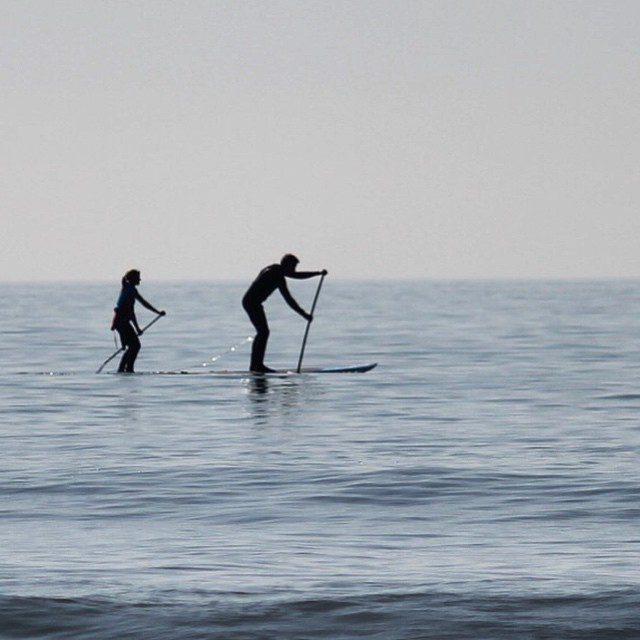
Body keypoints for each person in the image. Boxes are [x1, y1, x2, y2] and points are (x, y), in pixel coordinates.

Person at [242, 254, 327, 372]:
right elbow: (290, 295)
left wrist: (317, 274)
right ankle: (257, 366)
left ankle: (255, 365)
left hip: (254, 303)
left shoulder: (278, 275)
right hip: (251, 303)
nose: (294, 270)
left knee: (263, 332)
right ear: (286, 265)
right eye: (293, 266)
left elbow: (290, 294)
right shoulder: (273, 272)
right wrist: (304, 314)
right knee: (263, 332)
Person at [111, 269, 166, 373]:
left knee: (133, 346)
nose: (140, 279)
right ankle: (126, 369)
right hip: (121, 322)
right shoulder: (130, 290)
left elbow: (141, 305)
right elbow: (132, 312)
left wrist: (157, 312)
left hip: (122, 322)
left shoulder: (129, 289)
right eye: (138, 278)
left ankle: (124, 369)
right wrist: (137, 328)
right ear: (133, 279)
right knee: (135, 345)